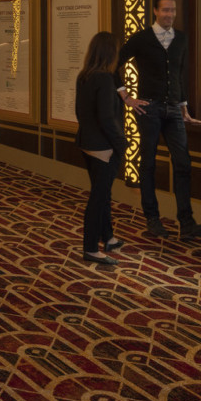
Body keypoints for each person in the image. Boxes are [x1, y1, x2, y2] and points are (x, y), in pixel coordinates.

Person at [115, 0, 201, 240]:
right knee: (148, 164)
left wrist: (184, 108)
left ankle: (186, 223)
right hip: (149, 109)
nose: (170, 14)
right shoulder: (142, 39)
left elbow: (180, 75)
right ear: (155, 12)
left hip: (174, 110)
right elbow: (116, 64)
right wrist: (127, 97)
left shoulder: (181, 39)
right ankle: (152, 219)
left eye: (173, 10)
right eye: (165, 10)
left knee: (183, 163)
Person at [75, 30, 129, 267]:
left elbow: (81, 112)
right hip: (104, 148)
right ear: (111, 54)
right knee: (98, 197)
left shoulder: (84, 76)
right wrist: (121, 144)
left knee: (102, 192)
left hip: (87, 143)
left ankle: (108, 238)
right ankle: (90, 248)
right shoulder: (105, 80)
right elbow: (108, 118)